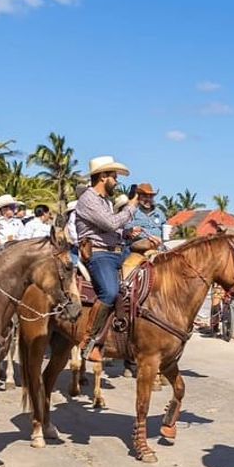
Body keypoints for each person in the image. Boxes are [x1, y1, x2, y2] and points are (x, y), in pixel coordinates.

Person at [74, 155, 137, 362]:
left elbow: (113, 229)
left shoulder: (105, 202)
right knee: (109, 292)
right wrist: (131, 207)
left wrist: (127, 234)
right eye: (114, 177)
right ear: (103, 177)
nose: (117, 181)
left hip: (117, 252)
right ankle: (89, 341)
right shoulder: (88, 199)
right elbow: (110, 223)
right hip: (99, 254)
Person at [124, 182, 167, 254]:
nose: (148, 199)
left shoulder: (159, 213)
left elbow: (165, 231)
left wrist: (170, 233)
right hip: (135, 250)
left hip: (157, 249)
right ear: (138, 197)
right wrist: (150, 237)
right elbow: (127, 229)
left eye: (150, 196)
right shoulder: (132, 211)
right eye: (145, 196)